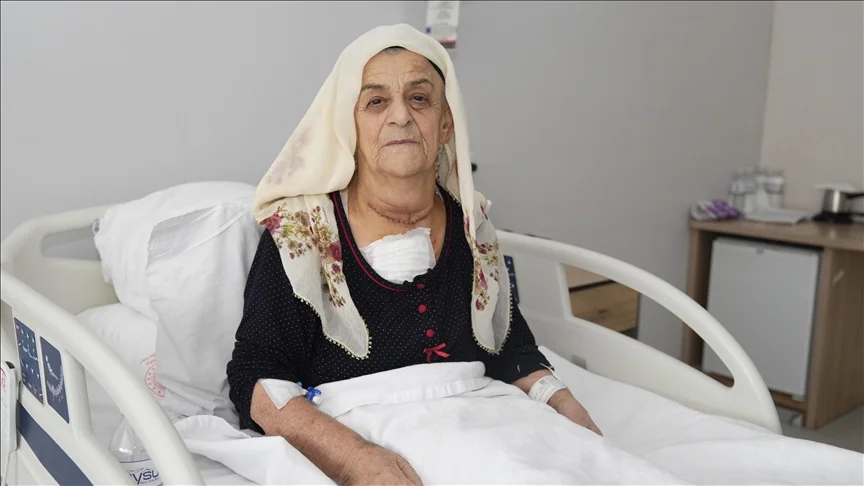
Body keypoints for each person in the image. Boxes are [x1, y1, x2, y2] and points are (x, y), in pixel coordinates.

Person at [226, 24, 599, 485]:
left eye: (419, 99)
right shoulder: (302, 232)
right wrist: (355, 460)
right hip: (361, 434)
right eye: (376, 101)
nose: (400, 116)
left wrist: (563, 404)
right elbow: (256, 376)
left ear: (446, 123)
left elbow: (509, 348)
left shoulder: (470, 224)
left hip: (482, 424)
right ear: (347, 123)